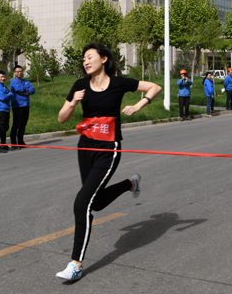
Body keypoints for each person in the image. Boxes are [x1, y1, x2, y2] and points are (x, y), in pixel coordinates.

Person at [56, 43, 161, 281]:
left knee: (82, 202)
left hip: (108, 150)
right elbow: (62, 119)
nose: (85, 61)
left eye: (89, 57)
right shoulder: (80, 85)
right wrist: (72, 103)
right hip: (85, 148)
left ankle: (75, 264)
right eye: (83, 59)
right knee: (96, 202)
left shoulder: (118, 83)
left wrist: (139, 104)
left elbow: (155, 87)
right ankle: (130, 184)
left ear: (104, 59)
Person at [9, 65, 36, 150]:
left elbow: (32, 90)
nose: (19, 73)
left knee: (23, 124)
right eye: (17, 71)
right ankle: (14, 143)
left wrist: (27, 91)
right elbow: (19, 89)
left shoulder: (26, 81)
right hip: (17, 105)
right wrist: (26, 90)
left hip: (26, 105)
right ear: (14, 73)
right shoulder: (13, 82)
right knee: (16, 124)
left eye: (21, 71)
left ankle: (21, 141)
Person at [0, 71, 15, 153]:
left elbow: (11, 95)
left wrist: (8, 95)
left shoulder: (4, 87)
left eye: (4, 77)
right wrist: (8, 95)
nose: (3, 78)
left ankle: (4, 144)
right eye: (1, 77)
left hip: (6, 109)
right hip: (0, 109)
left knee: (4, 128)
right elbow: (3, 97)